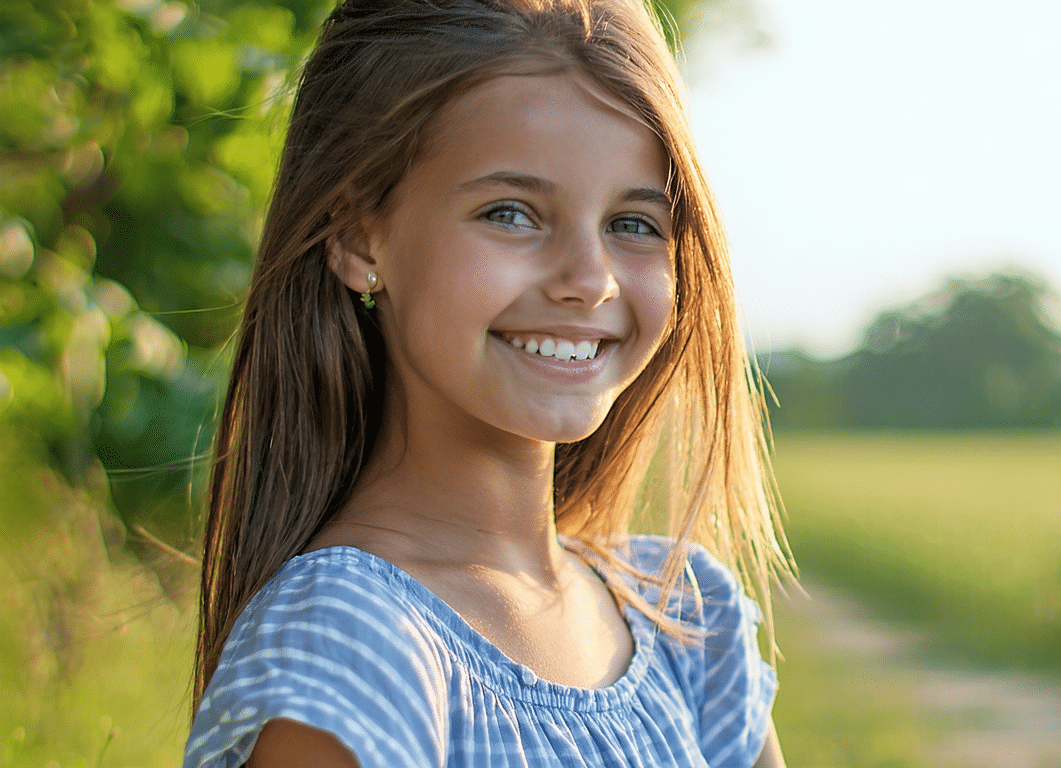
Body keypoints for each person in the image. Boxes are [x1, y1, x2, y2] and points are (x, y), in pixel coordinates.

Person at [183, 0, 793, 765]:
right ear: (356, 234)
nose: (589, 280)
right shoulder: (356, 641)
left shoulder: (684, 618)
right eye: (511, 213)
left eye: (633, 223)